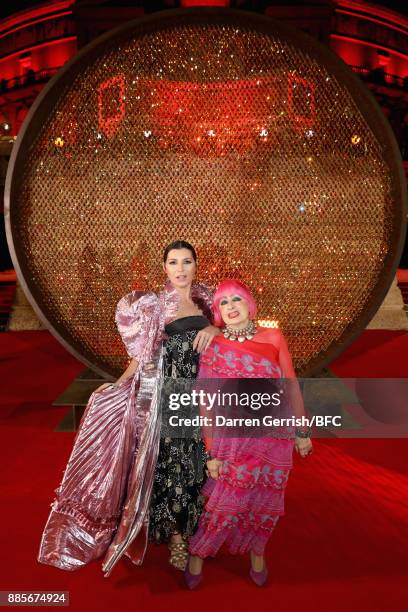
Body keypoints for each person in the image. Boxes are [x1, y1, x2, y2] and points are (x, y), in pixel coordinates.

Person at [37, 240, 220, 576]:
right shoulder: (156, 307)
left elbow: (230, 339)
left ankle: (201, 526)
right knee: (176, 466)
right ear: (164, 268)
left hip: (204, 397)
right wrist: (118, 386)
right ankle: (178, 538)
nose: (180, 269)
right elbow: (141, 357)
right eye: (173, 262)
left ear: (196, 265)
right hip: (170, 400)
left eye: (187, 262)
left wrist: (213, 329)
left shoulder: (209, 304)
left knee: (201, 463)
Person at [184, 279, 313, 589]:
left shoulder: (273, 337)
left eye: (236, 300)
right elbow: (207, 402)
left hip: (274, 436)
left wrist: (302, 430)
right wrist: (212, 451)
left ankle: (258, 553)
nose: (230, 307)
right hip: (232, 441)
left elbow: (291, 383)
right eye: (223, 303)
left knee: (264, 502)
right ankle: (199, 553)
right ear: (216, 312)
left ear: (249, 304)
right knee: (223, 503)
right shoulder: (212, 346)